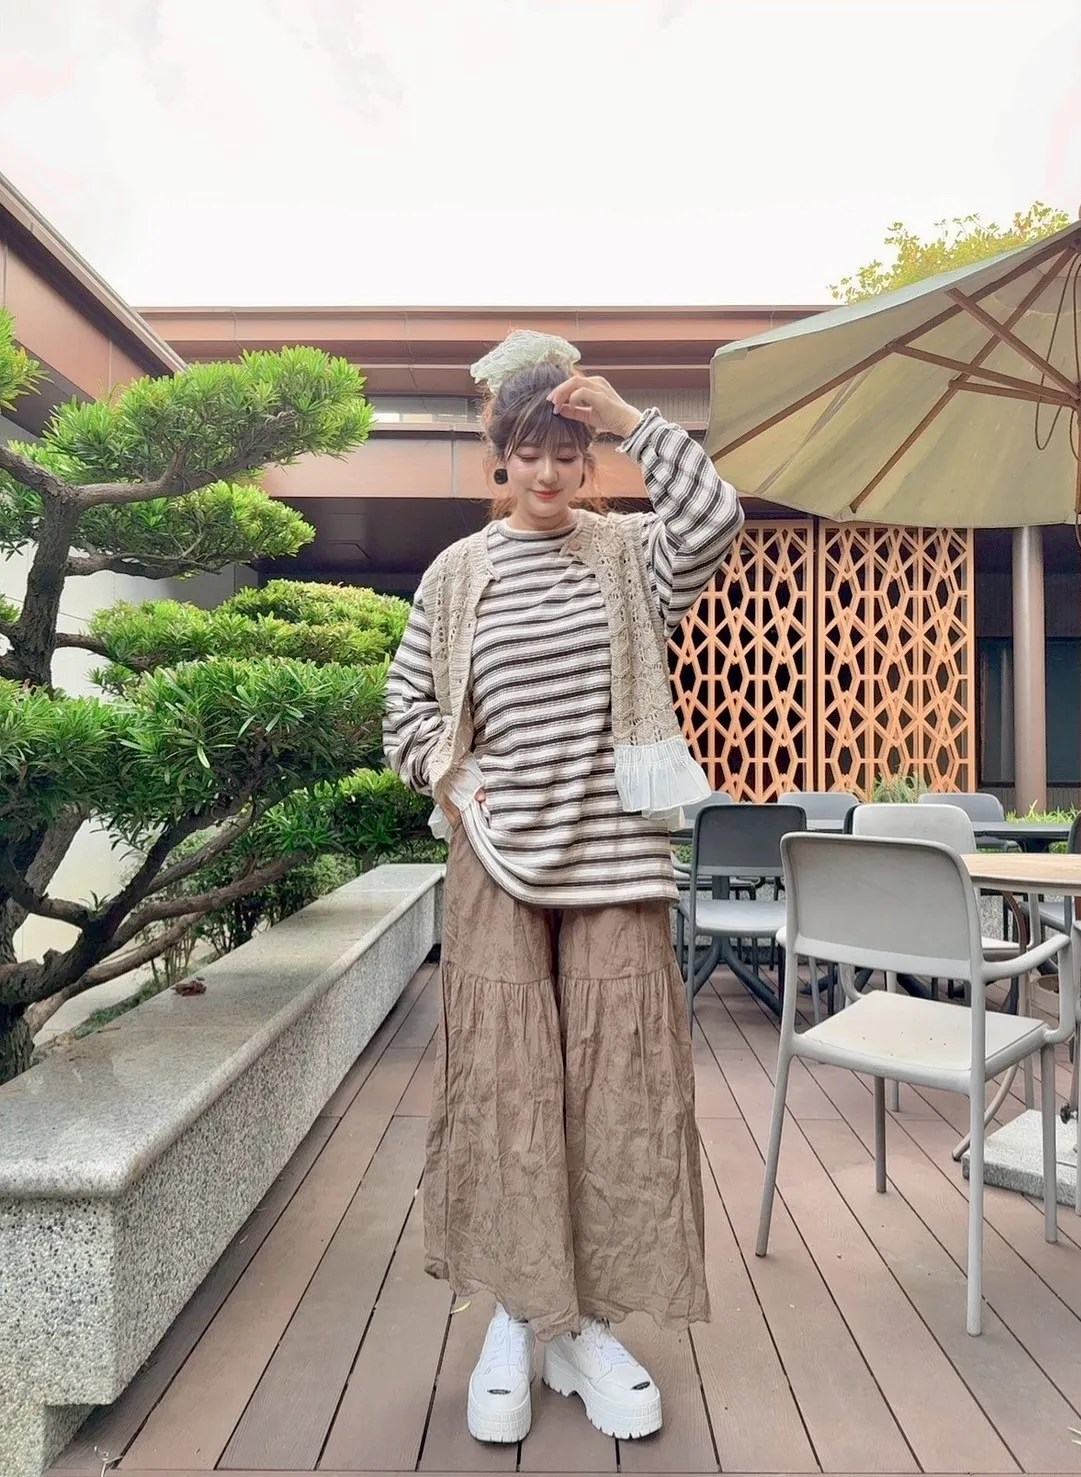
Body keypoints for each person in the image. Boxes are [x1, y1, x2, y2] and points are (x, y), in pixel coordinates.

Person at [383, 329, 743, 1445]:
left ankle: (583, 1323)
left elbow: (715, 516)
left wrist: (630, 417)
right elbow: (405, 711)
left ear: (589, 459)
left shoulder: (631, 554)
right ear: (502, 456)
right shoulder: (457, 575)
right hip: (497, 864)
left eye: (568, 452)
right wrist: (454, 773)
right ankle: (515, 1313)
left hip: (613, 863)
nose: (547, 472)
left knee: (615, 1095)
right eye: (529, 452)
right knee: (505, 1092)